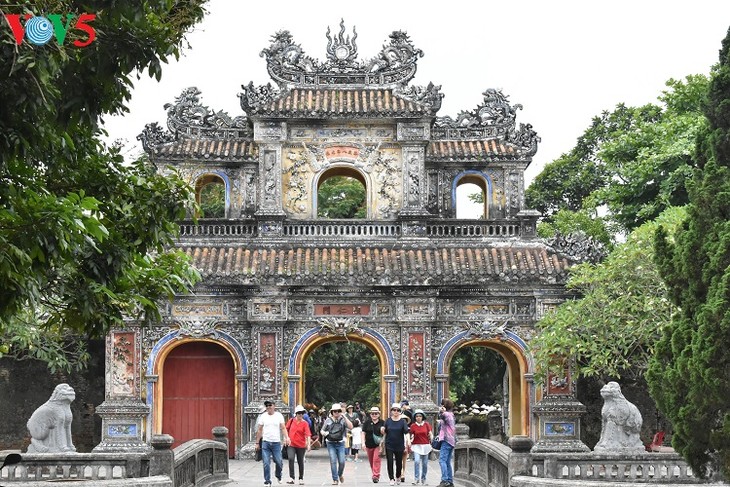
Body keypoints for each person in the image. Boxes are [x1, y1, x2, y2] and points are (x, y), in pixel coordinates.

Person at [256, 400, 290, 487]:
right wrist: (257, 443)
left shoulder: (279, 416)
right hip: (266, 442)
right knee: (266, 463)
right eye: (267, 406)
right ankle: (267, 481)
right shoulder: (263, 416)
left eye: (270, 405)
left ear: (274, 406)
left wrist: (287, 438)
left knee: (279, 461)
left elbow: (283, 428)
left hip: (276, 443)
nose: (268, 407)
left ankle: (278, 475)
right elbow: (259, 429)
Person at [321, 403, 353, 485]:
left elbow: (351, 427)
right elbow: (322, 431)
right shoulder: (328, 420)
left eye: (338, 411)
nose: (336, 413)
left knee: (342, 461)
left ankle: (340, 474)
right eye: (335, 411)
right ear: (332, 412)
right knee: (333, 461)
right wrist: (326, 434)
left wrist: (344, 416)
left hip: (340, 442)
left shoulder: (342, 420)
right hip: (330, 443)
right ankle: (335, 479)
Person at [382, 402, 410, 486]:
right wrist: (382, 430)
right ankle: (391, 478)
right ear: (391, 411)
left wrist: (408, 441)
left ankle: (398, 476)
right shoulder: (388, 421)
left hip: (399, 444)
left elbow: (406, 432)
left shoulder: (402, 422)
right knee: (390, 461)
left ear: (400, 411)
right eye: (394, 410)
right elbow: (384, 431)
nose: (396, 411)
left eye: (398, 410)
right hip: (389, 444)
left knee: (399, 462)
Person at [286, 405, 311, 485]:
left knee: (300, 461)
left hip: (301, 445)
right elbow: (285, 429)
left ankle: (301, 478)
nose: (300, 415)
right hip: (291, 444)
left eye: (302, 413)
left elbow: (308, 434)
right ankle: (291, 477)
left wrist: (309, 444)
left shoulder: (305, 423)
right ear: (296, 414)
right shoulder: (291, 421)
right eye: (299, 413)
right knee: (291, 458)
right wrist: (285, 438)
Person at [409, 410, 433, 485]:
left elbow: (430, 434)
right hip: (416, 445)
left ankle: (423, 478)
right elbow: (411, 435)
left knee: (425, 463)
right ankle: (416, 478)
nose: (418, 418)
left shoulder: (426, 425)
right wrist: (410, 441)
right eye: (417, 416)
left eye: (420, 416)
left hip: (425, 445)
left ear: (422, 417)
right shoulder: (413, 426)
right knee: (416, 461)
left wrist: (432, 439)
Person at [361, 406, 385, 483]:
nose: (374, 415)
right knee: (371, 461)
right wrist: (363, 443)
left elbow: (386, 433)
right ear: (370, 414)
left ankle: (376, 475)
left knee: (376, 459)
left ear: (379, 414)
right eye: (372, 413)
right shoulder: (367, 423)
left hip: (378, 445)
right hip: (369, 444)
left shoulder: (382, 422)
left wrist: (383, 431)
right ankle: (374, 473)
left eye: (376, 413)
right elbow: (363, 433)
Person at [436, 399, 456, 487]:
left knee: (442, 460)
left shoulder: (446, 414)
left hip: (446, 440)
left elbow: (442, 415)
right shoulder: (451, 415)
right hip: (451, 440)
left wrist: (441, 411)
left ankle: (444, 480)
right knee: (447, 461)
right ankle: (450, 480)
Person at [399, 400, 414, 483]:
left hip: (406, 436)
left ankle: (402, 473)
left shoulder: (407, 412)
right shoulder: (412, 411)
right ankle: (400, 472)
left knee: (404, 456)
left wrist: (409, 440)